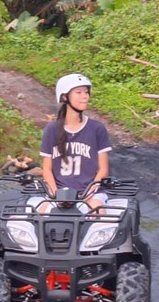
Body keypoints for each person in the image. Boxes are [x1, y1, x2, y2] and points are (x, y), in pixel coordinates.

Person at [40, 73, 112, 212]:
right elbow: (47, 169)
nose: (85, 96)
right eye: (78, 92)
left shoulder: (97, 128)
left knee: (98, 215)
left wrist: (89, 193)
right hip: (59, 193)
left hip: (90, 193)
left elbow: (103, 169)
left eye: (86, 92)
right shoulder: (52, 129)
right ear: (65, 97)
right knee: (40, 216)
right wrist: (56, 195)